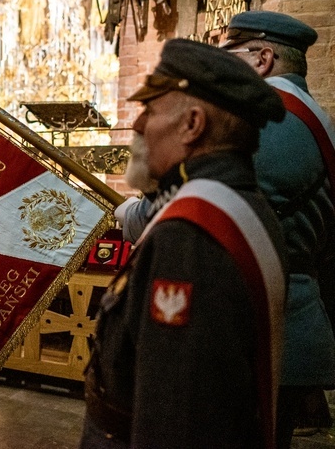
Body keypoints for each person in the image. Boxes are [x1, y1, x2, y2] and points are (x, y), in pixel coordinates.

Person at [116, 11, 335, 448]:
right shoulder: (308, 117)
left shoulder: (278, 121)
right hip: (284, 311)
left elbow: (218, 205)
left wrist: (135, 215)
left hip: (253, 322)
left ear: (263, 59)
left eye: (228, 54)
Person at [82, 39, 289, 448]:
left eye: (152, 110)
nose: (139, 125)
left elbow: (176, 416)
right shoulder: (241, 201)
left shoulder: (189, 238)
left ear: (192, 125)